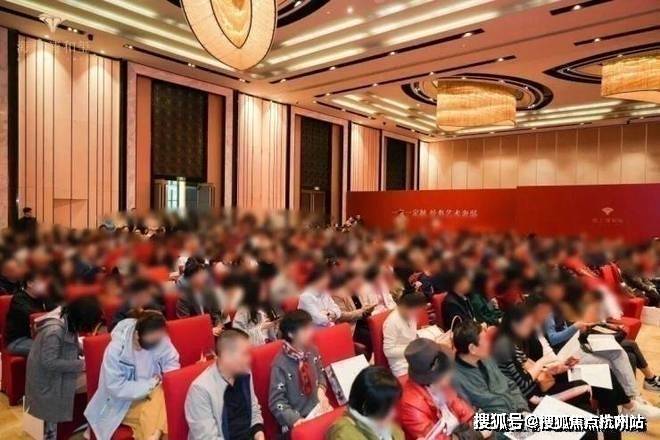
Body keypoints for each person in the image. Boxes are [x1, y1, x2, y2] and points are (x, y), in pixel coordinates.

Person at [85, 310, 180, 440]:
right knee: (159, 409)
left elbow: (171, 361)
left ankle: (154, 435)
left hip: (152, 393)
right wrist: (150, 384)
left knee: (160, 398)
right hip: (123, 401)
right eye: (145, 344)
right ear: (136, 335)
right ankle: (156, 434)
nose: (149, 348)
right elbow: (115, 387)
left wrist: (165, 380)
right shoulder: (116, 349)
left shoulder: (158, 338)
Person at [25, 297, 104, 439]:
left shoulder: (67, 320)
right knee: (97, 380)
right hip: (47, 380)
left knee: (98, 377)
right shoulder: (54, 331)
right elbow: (49, 363)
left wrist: (87, 350)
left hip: (54, 373)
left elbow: (71, 344)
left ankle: (91, 423)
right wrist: (83, 364)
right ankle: (94, 424)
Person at [491, 304, 593, 409]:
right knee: (585, 387)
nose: (529, 330)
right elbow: (524, 383)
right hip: (532, 397)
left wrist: (557, 368)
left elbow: (529, 369)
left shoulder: (510, 343)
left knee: (571, 377)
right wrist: (543, 361)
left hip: (537, 387)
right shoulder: (504, 347)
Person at [185, 329, 265, 440]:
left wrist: (259, 434)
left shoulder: (245, 373)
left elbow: (253, 408)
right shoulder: (200, 390)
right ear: (227, 356)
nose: (249, 359)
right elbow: (207, 437)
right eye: (244, 354)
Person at [398, 339, 481, 440]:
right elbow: (436, 438)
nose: (451, 374)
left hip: (460, 432)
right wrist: (475, 435)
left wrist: (491, 424)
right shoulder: (411, 406)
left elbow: (464, 412)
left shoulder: (440, 384)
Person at [269, 310, 330, 435]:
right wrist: (295, 420)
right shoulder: (280, 365)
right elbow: (276, 402)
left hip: (318, 410)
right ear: (291, 334)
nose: (311, 332)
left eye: (311, 327)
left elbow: (321, 374)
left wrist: (321, 391)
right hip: (298, 418)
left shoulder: (312, 350)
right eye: (306, 329)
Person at [452, 320, 530, 416]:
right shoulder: (457, 380)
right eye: (486, 340)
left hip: (519, 413)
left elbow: (511, 385)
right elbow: (476, 417)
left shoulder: (486, 357)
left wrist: (522, 409)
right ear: (472, 349)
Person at [327, 366, 405, 440]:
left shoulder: (385, 424)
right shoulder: (343, 435)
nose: (393, 413)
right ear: (368, 407)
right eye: (386, 408)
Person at [4, 270, 57, 356]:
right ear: (30, 283)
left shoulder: (43, 298)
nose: (45, 285)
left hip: (39, 337)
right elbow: (34, 317)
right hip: (18, 340)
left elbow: (57, 311)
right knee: (50, 348)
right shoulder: (19, 299)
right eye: (41, 281)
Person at [382, 292, 427, 377]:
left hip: (414, 356)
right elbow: (388, 351)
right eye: (415, 310)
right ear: (404, 306)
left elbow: (412, 336)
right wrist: (412, 349)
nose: (417, 313)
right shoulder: (391, 322)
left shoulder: (411, 314)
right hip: (401, 364)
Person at [176, 257, 224, 334]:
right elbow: (185, 324)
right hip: (196, 333)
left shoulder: (209, 292)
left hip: (213, 329)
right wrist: (208, 331)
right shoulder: (184, 298)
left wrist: (218, 325)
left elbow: (216, 314)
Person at [233, 280, 279, 346]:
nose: (265, 293)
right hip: (254, 346)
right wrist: (260, 328)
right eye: (262, 290)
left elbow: (272, 335)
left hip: (268, 343)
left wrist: (275, 326)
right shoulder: (243, 310)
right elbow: (237, 335)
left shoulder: (267, 306)